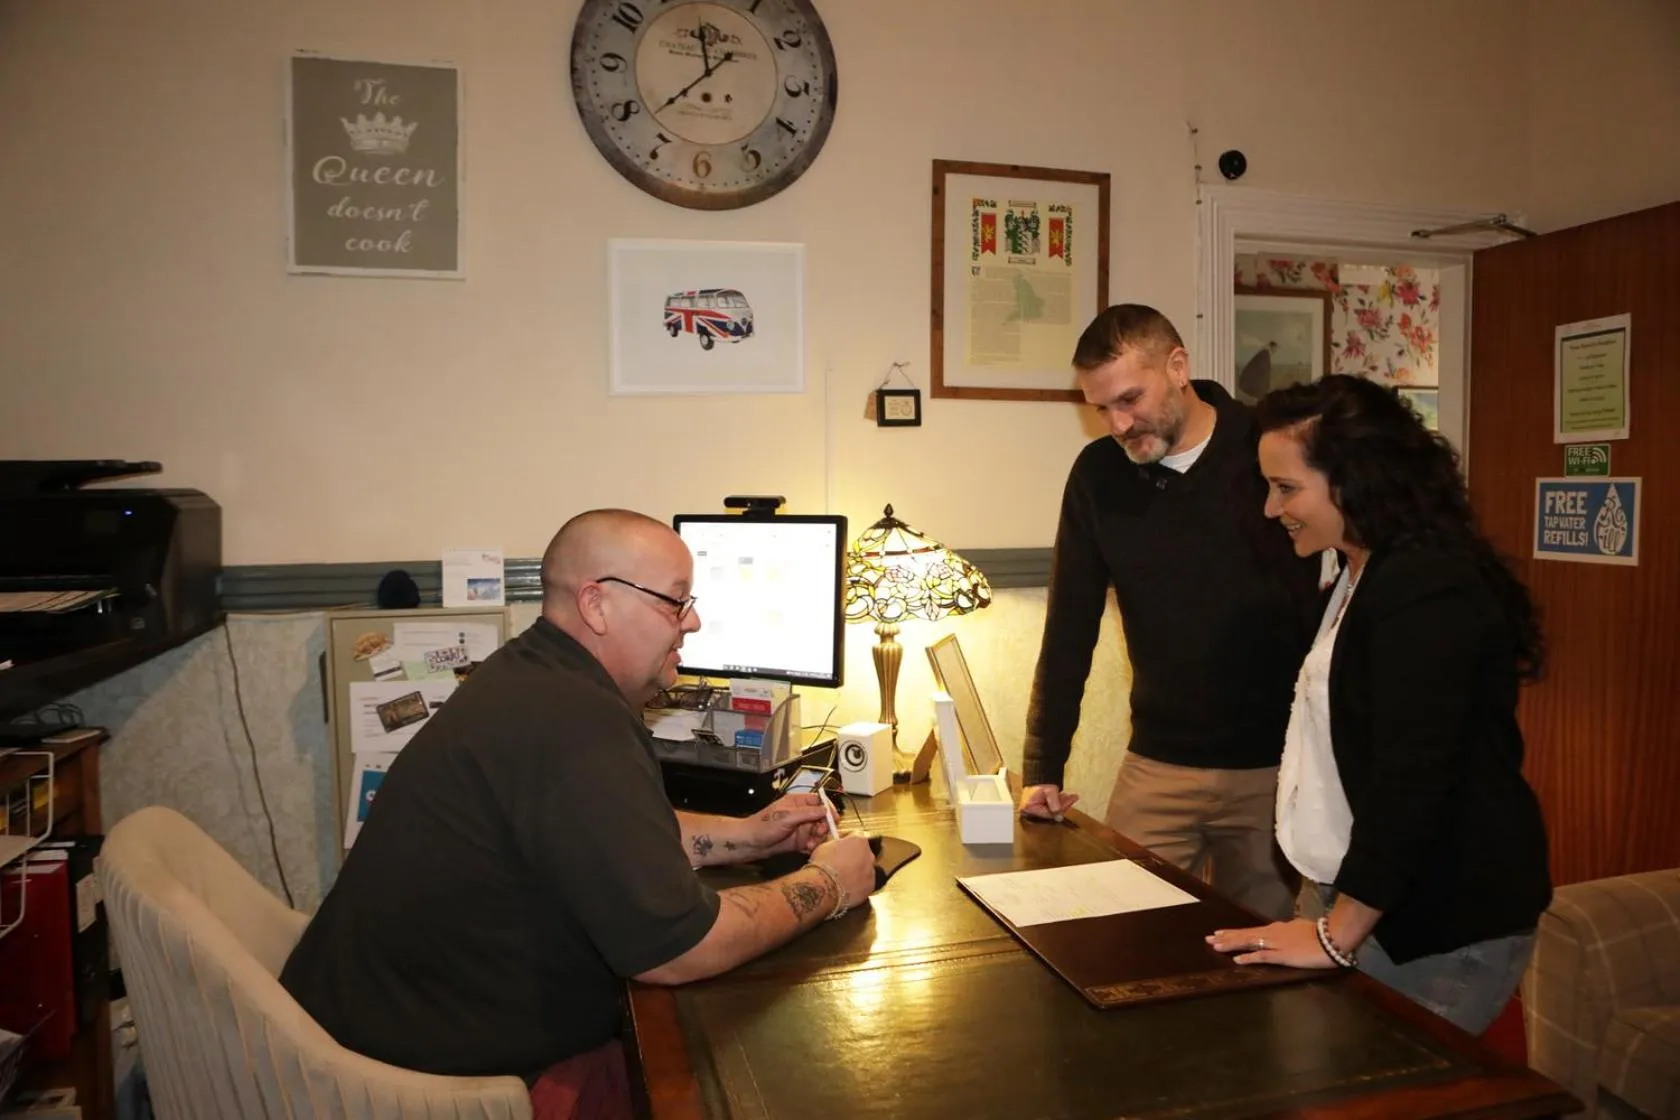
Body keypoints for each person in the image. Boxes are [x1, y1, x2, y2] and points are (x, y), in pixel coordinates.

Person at [280, 509, 876, 1116]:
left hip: (382, 1031)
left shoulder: (536, 678)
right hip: (423, 1084)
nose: (692, 620)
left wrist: (749, 837)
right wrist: (829, 885)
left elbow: (616, 839)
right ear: (596, 605)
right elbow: (681, 949)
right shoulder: (575, 726)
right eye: (676, 602)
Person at [1208, 375, 1552, 1034]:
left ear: (1355, 480)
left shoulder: (1426, 588)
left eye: (1286, 489)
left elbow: (1411, 779)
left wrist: (1338, 935)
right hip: (1352, 895)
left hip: (1436, 916)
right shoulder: (1354, 570)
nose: (1270, 509)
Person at [1019, 304, 1321, 921]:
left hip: (1271, 768)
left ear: (1178, 366)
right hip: (1157, 765)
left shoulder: (1266, 452)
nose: (1119, 423)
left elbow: (1321, 606)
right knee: (1126, 936)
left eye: (1130, 398)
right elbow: (1069, 626)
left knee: (1259, 950)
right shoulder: (1099, 475)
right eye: (1100, 408)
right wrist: (1041, 766)